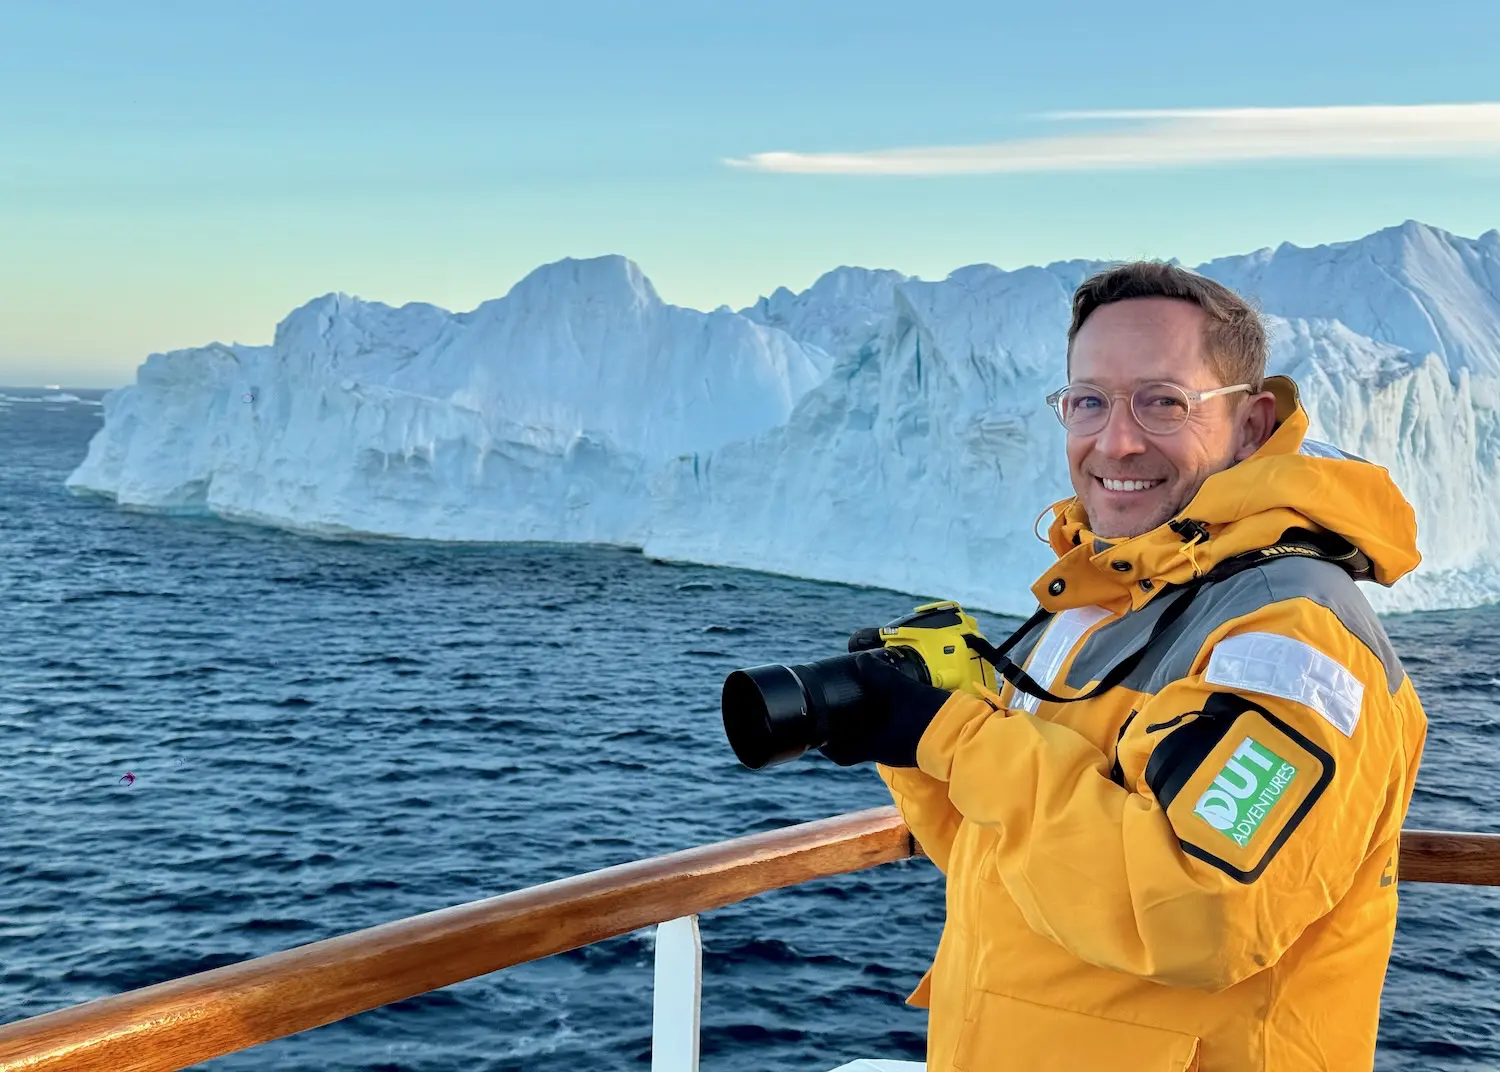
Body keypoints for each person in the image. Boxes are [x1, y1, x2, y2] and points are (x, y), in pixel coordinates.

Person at [824, 263, 1429, 1071]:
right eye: (1089, 401)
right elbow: (1015, 855)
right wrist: (912, 741)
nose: (1116, 440)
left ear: (1249, 427)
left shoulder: (1295, 641)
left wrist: (960, 739)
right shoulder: (1101, 599)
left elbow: (1196, 910)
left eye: (1163, 401)